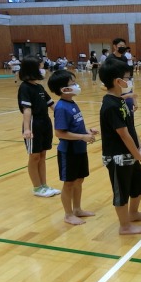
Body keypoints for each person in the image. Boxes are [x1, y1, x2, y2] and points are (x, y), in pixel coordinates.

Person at [99, 58, 141, 235]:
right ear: (118, 81)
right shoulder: (110, 105)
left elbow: (130, 128)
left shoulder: (120, 100)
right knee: (121, 191)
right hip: (117, 157)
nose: (130, 81)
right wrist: (137, 154)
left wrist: (140, 146)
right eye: (128, 78)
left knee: (140, 183)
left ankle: (133, 213)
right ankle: (124, 226)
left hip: (129, 153)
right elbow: (123, 133)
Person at [47, 70, 98, 225]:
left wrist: (87, 132)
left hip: (79, 149)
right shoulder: (61, 107)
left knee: (79, 180)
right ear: (64, 89)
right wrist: (82, 137)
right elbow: (59, 133)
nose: (76, 86)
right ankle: (68, 215)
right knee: (69, 183)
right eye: (73, 83)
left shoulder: (72, 103)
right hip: (68, 152)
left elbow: (75, 126)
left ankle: (77, 209)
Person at [17, 55, 61, 197]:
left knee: (42, 155)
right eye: (40, 67)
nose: (43, 69)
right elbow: (27, 109)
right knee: (34, 156)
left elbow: (51, 104)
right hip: (33, 124)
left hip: (45, 123)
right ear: (32, 69)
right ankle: (37, 187)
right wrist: (27, 129)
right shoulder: (25, 88)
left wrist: (65, 114)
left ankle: (44, 185)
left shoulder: (40, 87)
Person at [109, 38, 137, 113]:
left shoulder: (124, 58)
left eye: (124, 46)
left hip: (126, 91)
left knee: (129, 116)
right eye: (120, 46)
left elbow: (127, 79)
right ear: (115, 46)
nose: (122, 47)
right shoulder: (110, 59)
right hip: (116, 94)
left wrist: (134, 99)